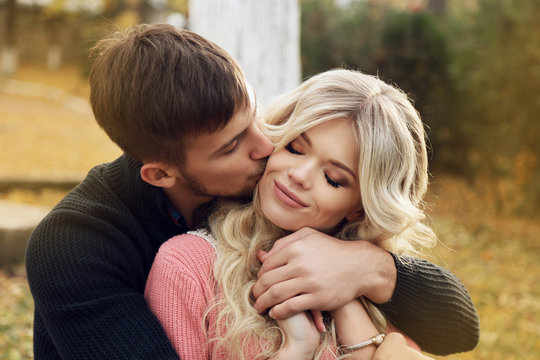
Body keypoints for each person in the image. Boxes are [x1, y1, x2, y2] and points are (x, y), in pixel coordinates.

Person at [25, 24, 478, 359]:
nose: (268, 148)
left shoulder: (273, 188)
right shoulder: (74, 246)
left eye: (256, 118)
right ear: (162, 175)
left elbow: (461, 328)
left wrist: (369, 267)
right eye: (231, 145)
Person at [144, 69, 471, 360]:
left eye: (334, 179)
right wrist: (295, 350)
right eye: (295, 148)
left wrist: (353, 302)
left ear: (361, 206)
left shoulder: (379, 295)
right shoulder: (187, 267)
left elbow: (465, 329)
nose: (299, 175)